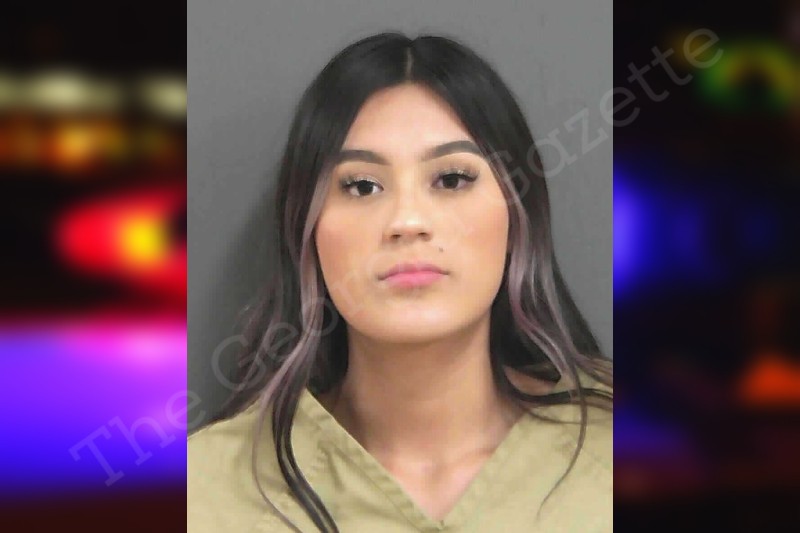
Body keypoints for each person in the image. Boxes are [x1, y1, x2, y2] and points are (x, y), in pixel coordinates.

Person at [188, 32, 612, 532]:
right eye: (362, 186)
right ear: (307, 228)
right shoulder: (205, 494)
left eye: (451, 179)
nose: (408, 221)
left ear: (518, 213)